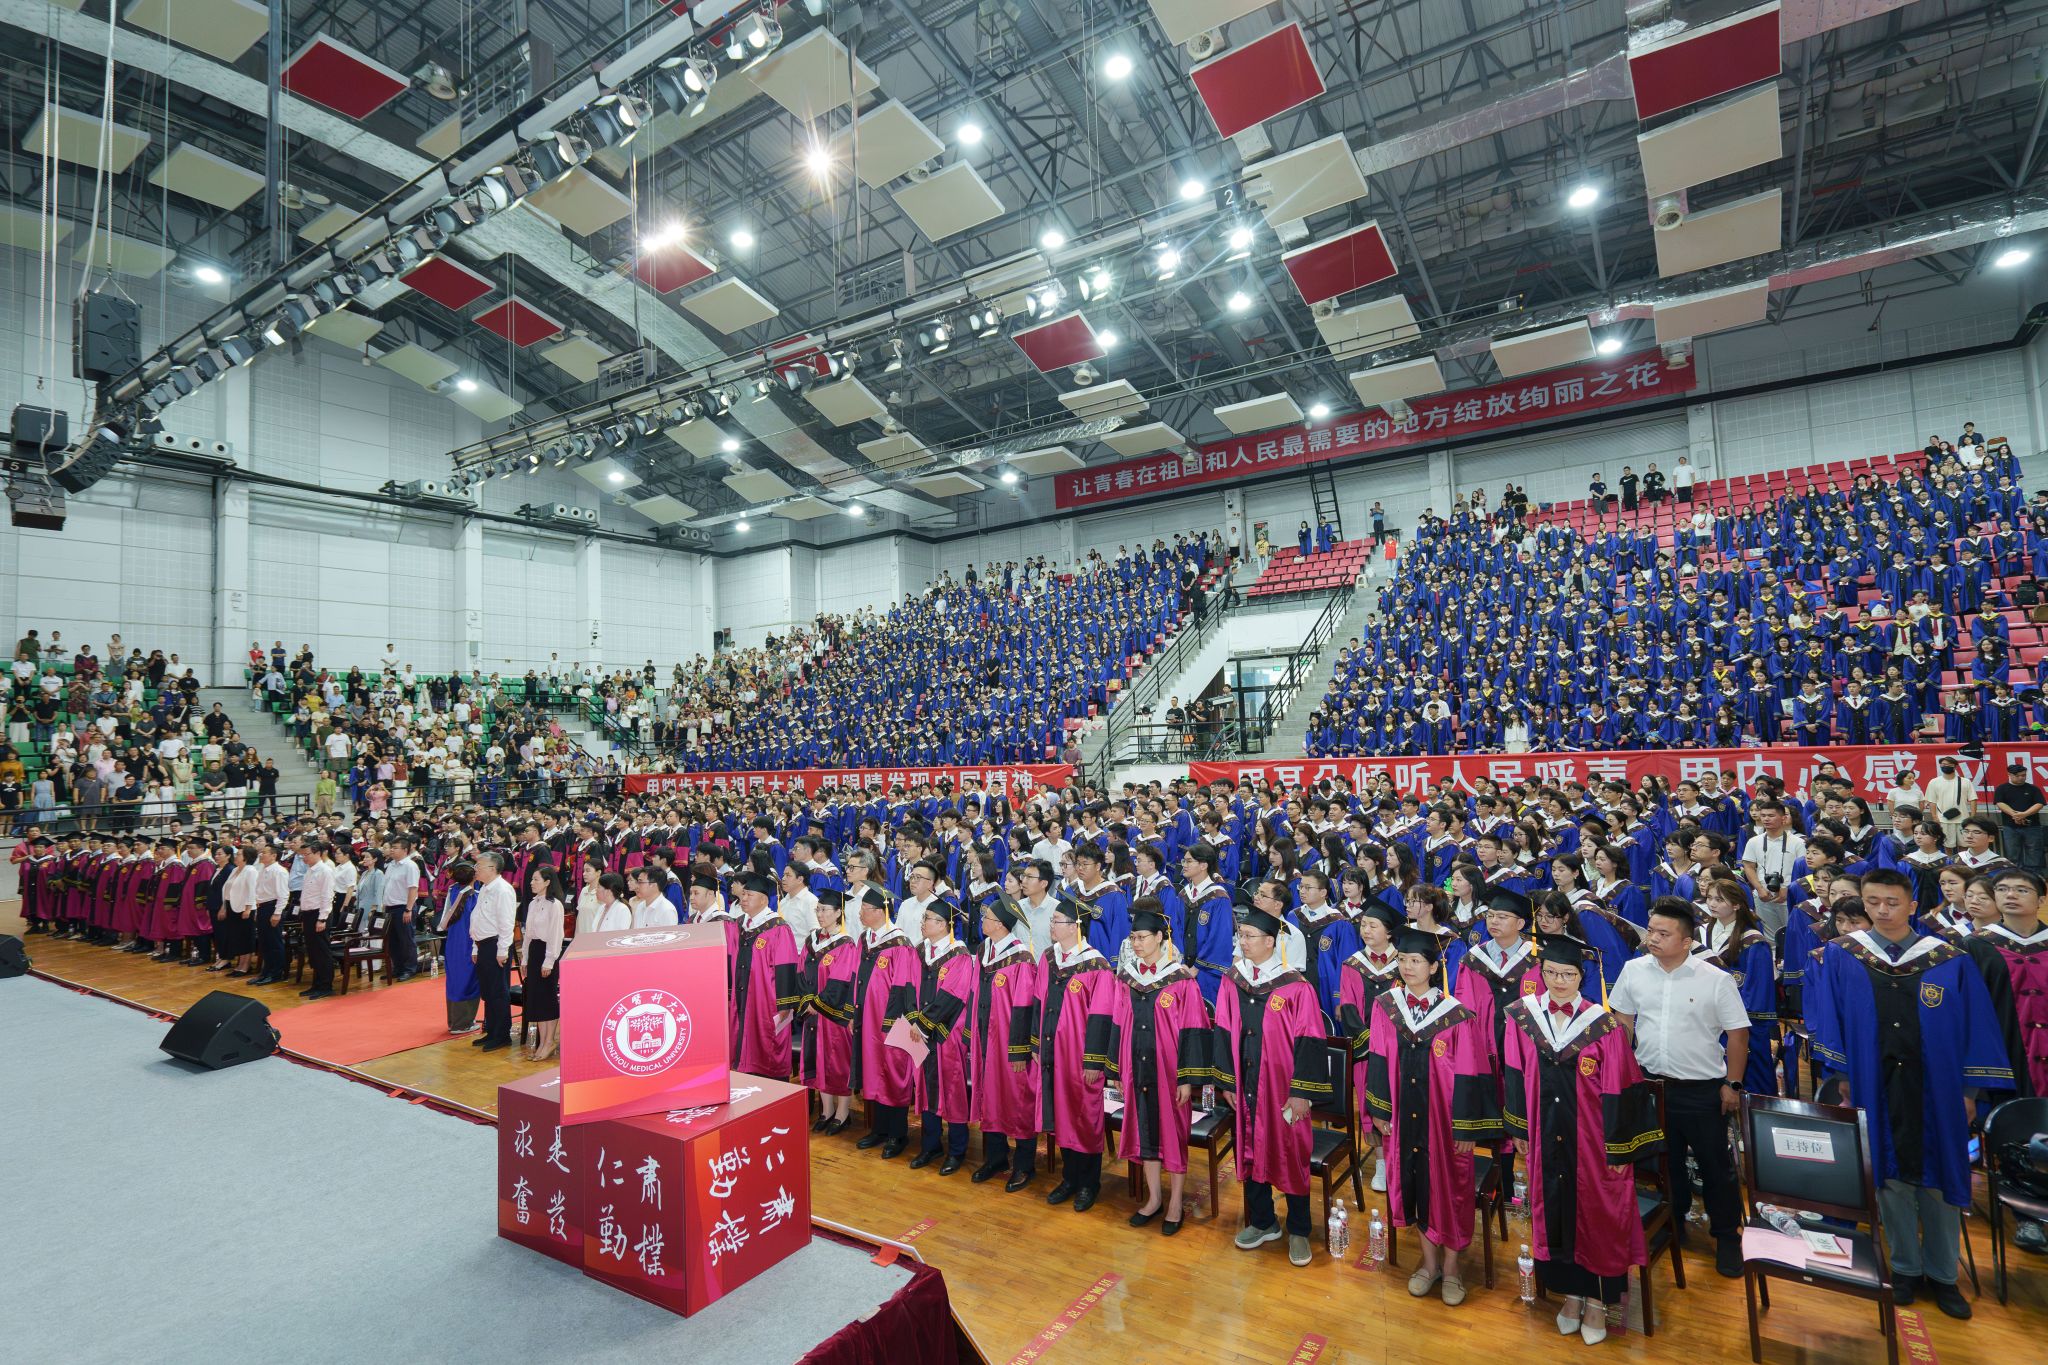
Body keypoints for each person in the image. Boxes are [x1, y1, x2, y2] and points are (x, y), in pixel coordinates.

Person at [1807, 866, 2016, 1318]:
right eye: (1873, 902)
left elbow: (1977, 1025)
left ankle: (1943, 1275)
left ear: (1912, 905)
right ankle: (1903, 1267)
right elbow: (1831, 1017)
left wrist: (1969, 1091)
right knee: (1888, 1177)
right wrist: (1842, 1074)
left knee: (1942, 1177)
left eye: (1893, 902)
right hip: (1873, 1081)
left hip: (1939, 1087)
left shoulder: (1949, 958)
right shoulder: (1843, 956)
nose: (1883, 910)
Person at [1502, 938, 1661, 1346]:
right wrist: (1519, 1128)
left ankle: (1597, 1301)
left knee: (1598, 1215)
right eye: (1551, 973)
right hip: (1545, 1135)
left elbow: (1622, 1086)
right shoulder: (1522, 1017)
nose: (1559, 981)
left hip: (1593, 1141)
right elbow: (1514, 1073)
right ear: (1540, 973)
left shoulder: (1603, 1026)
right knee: (1555, 1209)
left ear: (1582, 976)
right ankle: (1571, 1295)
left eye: (1568, 974)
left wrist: (1619, 1148)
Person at [1607, 896, 1751, 1278]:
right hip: (1651, 1085)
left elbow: (1738, 1035)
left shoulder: (1715, 979)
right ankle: (1673, 1222)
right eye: (1651, 931)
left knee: (1715, 1166)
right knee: (1661, 1161)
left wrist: (1733, 1085)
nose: (1652, 938)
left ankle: (1727, 1235)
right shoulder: (1634, 970)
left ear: (1687, 941)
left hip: (1701, 1089)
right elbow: (1623, 1021)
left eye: (1663, 933)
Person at [1365, 928, 1501, 1306]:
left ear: (1433, 967)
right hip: (1403, 1120)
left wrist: (1466, 1128)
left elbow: (1471, 1073)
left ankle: (1453, 1268)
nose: (1408, 967)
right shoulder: (1386, 1006)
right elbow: (1378, 1057)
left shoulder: (1457, 1016)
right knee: (1415, 1185)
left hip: (1443, 1123)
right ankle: (1429, 1264)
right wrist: (1380, 1109)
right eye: (1402, 960)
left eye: (1416, 961)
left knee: (1450, 1189)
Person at [1215, 901, 1329, 1268]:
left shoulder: (1295, 986)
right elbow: (1223, 1028)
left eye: (1249, 936)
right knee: (1249, 1148)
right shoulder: (1233, 978)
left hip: (1282, 1088)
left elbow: (1310, 1040)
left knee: (1291, 1153)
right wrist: (1227, 1080)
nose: (1243, 941)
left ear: (1270, 941)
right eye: (1241, 935)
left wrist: (1301, 1092)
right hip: (1245, 1082)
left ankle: (1299, 1228)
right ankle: (1263, 1221)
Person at [1101, 902, 1211, 1234]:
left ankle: (1175, 1203)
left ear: (1160, 937)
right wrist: (1116, 1070)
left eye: (1142, 937)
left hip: (1169, 1073)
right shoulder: (1127, 977)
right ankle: (1154, 1199)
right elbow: (1117, 1023)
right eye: (1133, 937)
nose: (1136, 943)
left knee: (1172, 1135)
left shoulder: (1180, 980)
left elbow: (1194, 1030)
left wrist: (1187, 1079)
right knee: (1144, 1132)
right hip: (1135, 1068)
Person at [1031, 898, 1115, 1213]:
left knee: (1084, 1116)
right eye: (1052, 920)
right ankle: (1069, 1178)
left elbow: (1102, 1016)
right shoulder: (1048, 958)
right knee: (1061, 1114)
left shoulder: (1096, 966)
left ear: (1075, 926)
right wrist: (1036, 1045)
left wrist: (1094, 1061)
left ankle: (1089, 1183)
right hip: (1051, 1050)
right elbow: (1038, 1000)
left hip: (1079, 1057)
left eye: (1057, 920)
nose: (1051, 925)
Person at [970, 893, 1042, 1190]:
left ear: (1000, 924)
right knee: (991, 1096)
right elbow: (974, 993)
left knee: (1018, 1100)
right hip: (985, 1037)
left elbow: (1025, 1006)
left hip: (1009, 1044)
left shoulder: (1020, 958)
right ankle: (996, 1157)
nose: (982, 921)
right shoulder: (983, 951)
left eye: (986, 917)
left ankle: (1024, 1165)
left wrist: (1020, 1051)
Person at [1338, 901, 1404, 1193]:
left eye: (1372, 925)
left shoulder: (1405, 963)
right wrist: (1371, 1042)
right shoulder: (1353, 964)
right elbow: (1348, 1008)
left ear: (1389, 932)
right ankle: (1380, 1163)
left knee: (1400, 1102)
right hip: (1367, 1051)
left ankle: (1401, 1159)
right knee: (1371, 1104)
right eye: (1363, 924)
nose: (1365, 929)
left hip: (1400, 1049)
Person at [850, 883, 919, 1158]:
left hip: (891, 1022)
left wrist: (891, 1023)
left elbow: (902, 986)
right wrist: (853, 1013)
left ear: (880, 911)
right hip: (867, 1020)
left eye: (865, 909)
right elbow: (857, 977)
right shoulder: (865, 939)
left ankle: (897, 1134)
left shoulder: (899, 944)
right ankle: (878, 1129)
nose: (860, 914)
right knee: (873, 1069)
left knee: (892, 1072)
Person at [908, 902, 976, 1173]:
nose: (923, 922)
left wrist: (923, 1025)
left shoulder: (959, 955)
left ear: (943, 924)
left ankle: (957, 1150)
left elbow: (953, 996)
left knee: (952, 1089)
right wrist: (913, 1021)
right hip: (918, 1033)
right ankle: (931, 1145)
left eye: (928, 918)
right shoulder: (919, 951)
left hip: (946, 1033)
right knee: (925, 1088)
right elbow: (908, 986)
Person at [731, 869, 800, 1077]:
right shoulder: (739, 925)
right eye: (743, 894)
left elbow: (786, 967)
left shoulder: (778, 928)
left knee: (767, 1050)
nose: (743, 899)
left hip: (766, 1001)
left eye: (749, 895)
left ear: (763, 899)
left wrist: (784, 1006)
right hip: (742, 998)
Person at [469, 852, 517, 1053]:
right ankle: (491, 1030)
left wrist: (502, 950)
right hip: (483, 945)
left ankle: (502, 1035)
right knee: (488, 991)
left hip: (496, 945)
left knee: (498, 991)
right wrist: (475, 946)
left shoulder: (503, 890)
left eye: (479, 866)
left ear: (492, 868)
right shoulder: (485, 888)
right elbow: (478, 919)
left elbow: (506, 923)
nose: (475, 869)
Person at [523, 863, 567, 1060]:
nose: (532, 883)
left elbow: (556, 935)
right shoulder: (533, 903)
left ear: (547, 882)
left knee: (547, 998)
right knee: (536, 999)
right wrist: (525, 958)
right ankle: (542, 1042)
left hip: (548, 953)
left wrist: (549, 961)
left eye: (536, 879)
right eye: (532, 879)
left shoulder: (554, 905)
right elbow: (528, 935)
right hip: (534, 951)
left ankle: (549, 1041)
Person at [435, 862, 482, 1033]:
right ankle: (463, 1023)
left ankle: (454, 1021)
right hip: (469, 943)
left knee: (454, 980)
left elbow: (444, 922)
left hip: (453, 942)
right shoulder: (475, 896)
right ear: (473, 877)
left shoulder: (453, 890)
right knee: (468, 979)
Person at [295, 839, 337, 1000]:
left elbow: (327, 896)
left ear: (318, 853)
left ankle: (326, 986)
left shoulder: (325, 871)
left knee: (322, 951)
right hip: (308, 914)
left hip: (319, 915)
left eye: (307, 854)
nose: (304, 858)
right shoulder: (310, 870)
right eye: (302, 855)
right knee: (313, 952)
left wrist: (322, 919)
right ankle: (316, 984)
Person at [383, 835, 422, 981]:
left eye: (395, 848)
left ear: (405, 850)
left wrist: (408, 909)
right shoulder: (391, 865)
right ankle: (397, 968)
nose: (392, 850)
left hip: (403, 907)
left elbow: (413, 888)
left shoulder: (410, 866)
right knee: (392, 940)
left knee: (406, 939)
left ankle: (410, 969)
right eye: (391, 847)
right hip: (390, 907)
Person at [1994, 761, 2045, 875]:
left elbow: (2039, 804)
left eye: (2024, 775)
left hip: (2032, 826)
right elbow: (2000, 803)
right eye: (2018, 776)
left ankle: (2034, 876)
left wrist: (2024, 814)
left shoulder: (2033, 789)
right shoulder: (2002, 788)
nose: (2021, 778)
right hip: (2010, 826)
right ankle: (2016, 875)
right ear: (2009, 775)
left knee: (2034, 852)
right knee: (2012, 852)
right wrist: (2015, 815)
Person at [249, 843, 290, 986]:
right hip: (262, 907)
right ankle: (265, 972)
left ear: (273, 855)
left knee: (274, 943)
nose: (261, 854)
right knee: (264, 942)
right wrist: (257, 909)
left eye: (265, 852)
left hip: (272, 907)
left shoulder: (279, 871)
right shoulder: (262, 869)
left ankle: (276, 973)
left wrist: (277, 913)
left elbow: (283, 895)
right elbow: (259, 892)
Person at [1926, 756, 1977, 850]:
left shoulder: (1965, 781)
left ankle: (1962, 859)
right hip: (1943, 819)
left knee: (1964, 845)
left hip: (1963, 819)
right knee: (1947, 846)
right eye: (1943, 764)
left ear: (1955, 766)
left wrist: (1973, 817)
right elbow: (1932, 801)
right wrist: (1934, 817)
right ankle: (1949, 860)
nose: (1946, 766)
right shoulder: (1934, 782)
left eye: (1949, 764)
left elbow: (1973, 799)